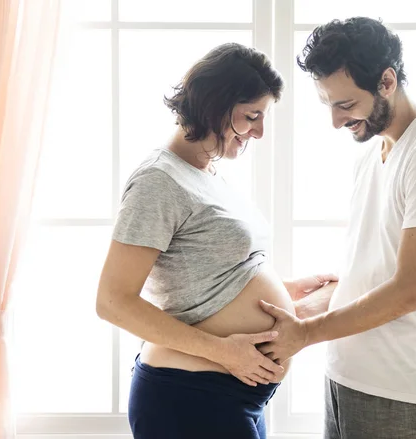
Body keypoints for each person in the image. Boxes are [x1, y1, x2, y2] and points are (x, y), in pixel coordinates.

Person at [95, 42, 337, 439]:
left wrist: (284, 291)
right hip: (188, 399)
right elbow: (111, 300)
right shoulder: (159, 181)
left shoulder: (207, 175)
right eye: (252, 116)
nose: (259, 131)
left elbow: (212, 276)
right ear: (215, 105)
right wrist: (222, 350)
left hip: (232, 397)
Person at [257, 17, 416, 439]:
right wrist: (299, 306)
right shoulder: (372, 156)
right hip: (345, 381)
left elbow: (410, 291)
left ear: (387, 81)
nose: (336, 122)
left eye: (345, 105)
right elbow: (372, 272)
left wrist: (304, 334)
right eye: (328, 105)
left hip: (403, 394)